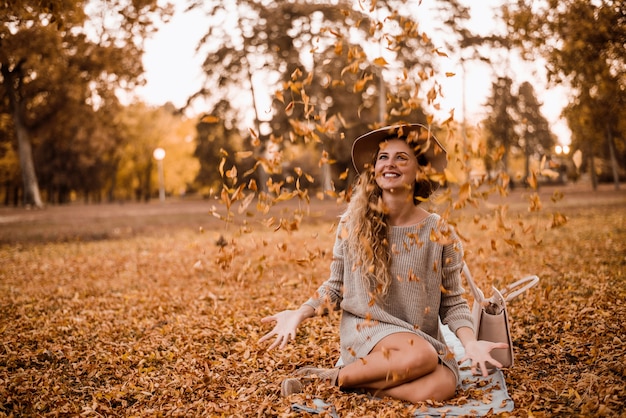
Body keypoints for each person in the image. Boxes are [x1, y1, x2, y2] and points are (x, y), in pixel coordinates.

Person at [259, 123, 508, 403]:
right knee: (422, 355)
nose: (390, 164)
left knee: (443, 386)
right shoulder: (352, 224)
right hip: (367, 332)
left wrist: (470, 344)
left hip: (418, 339)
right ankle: (330, 377)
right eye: (383, 157)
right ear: (375, 169)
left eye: (401, 157)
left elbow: (453, 303)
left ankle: (350, 382)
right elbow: (335, 287)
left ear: (419, 171)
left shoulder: (439, 231)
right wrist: (300, 312)